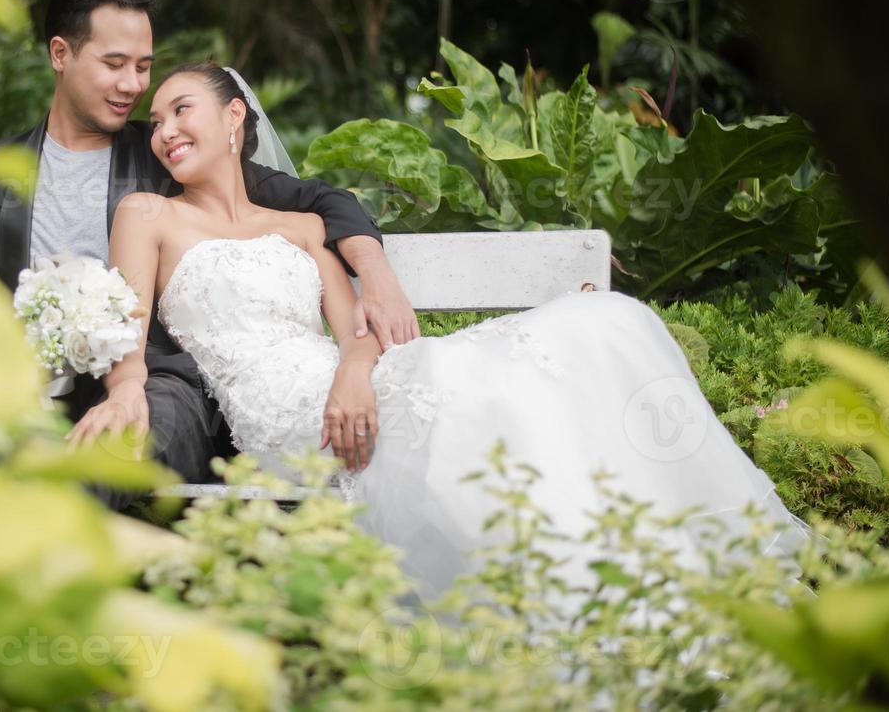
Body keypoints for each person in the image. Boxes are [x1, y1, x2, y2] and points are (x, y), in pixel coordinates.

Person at [94, 61, 809, 599]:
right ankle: (612, 580)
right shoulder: (147, 218)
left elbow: (357, 331)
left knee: (605, 325)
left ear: (233, 120)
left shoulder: (303, 227)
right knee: (495, 398)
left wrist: (352, 370)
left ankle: (657, 569)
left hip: (354, 388)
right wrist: (125, 390)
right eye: (154, 123)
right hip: (290, 428)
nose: (162, 133)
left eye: (179, 110)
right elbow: (125, 322)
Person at [0, 0, 417, 509]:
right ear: (60, 54)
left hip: (154, 380)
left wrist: (374, 274)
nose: (133, 85)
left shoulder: (169, 149)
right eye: (114, 64)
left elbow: (324, 202)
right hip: (25, 387)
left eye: (143, 66)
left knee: (129, 444)